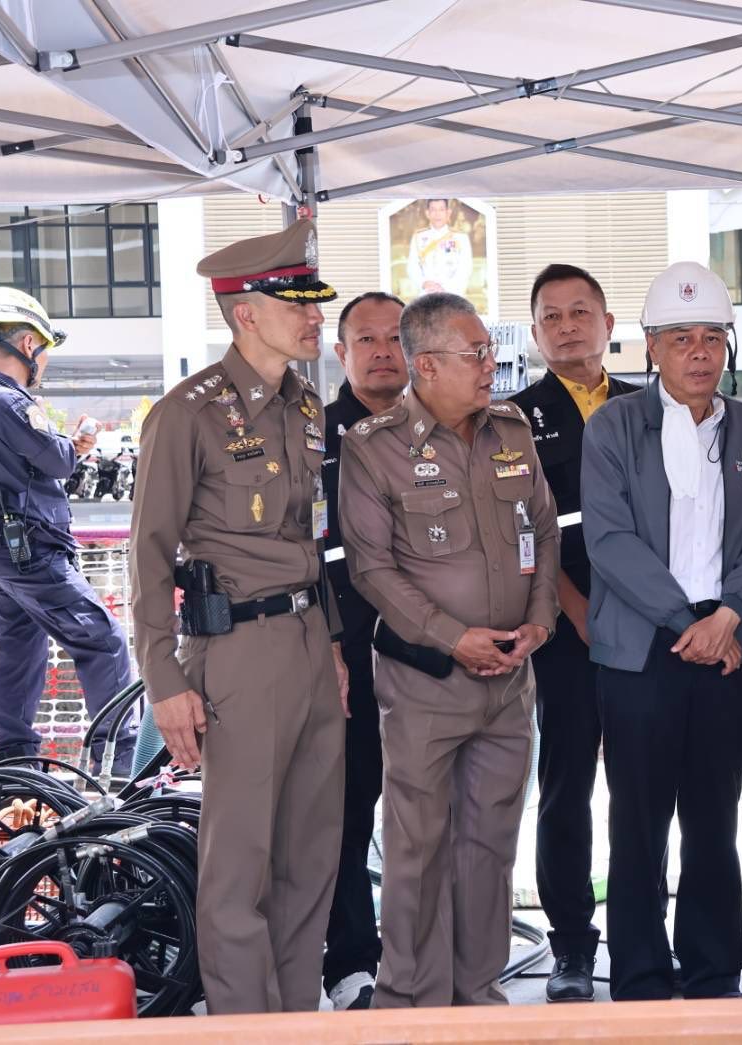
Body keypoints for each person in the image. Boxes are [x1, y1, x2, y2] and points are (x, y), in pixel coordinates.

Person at [128, 220, 345, 1014]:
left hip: (309, 641)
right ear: (246, 312)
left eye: (314, 301)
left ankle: (295, 1019)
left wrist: (333, 644)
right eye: (297, 303)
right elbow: (148, 555)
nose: (315, 316)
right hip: (238, 650)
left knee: (309, 855)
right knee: (240, 860)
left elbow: (308, 540)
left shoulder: (305, 404)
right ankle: (246, 1025)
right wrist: (164, 680)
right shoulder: (186, 413)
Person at [338, 292, 559, 1008]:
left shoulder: (511, 429)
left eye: (490, 352)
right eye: (476, 354)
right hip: (426, 680)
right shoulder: (372, 446)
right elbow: (371, 569)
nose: (491, 365)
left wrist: (539, 621)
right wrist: (451, 636)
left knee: (490, 845)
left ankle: (477, 992)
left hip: (510, 678)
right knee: (417, 845)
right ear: (427, 365)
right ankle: (410, 998)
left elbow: (545, 529)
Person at [581, 261, 742, 1001]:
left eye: (711, 338)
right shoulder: (612, 427)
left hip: (731, 648)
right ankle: (639, 974)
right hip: (645, 651)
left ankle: (712, 969)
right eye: (680, 339)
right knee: (638, 820)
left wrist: (727, 615)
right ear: (651, 347)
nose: (699, 353)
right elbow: (610, 541)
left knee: (713, 815)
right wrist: (686, 622)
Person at [507, 264, 637, 1002]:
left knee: (644, 788)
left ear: (607, 324)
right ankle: (571, 947)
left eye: (579, 312)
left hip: (648, 627)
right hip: (567, 629)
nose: (566, 326)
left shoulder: (647, 405)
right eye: (550, 316)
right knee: (566, 790)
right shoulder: (513, 419)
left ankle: (643, 938)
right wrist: (574, 610)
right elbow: (521, 532)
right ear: (534, 334)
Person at [0, 288, 137, 773]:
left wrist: (67, 446)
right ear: (29, 344)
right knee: (104, 640)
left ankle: (16, 767)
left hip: (1, 554)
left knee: (19, 653)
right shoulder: (9, 403)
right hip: (32, 552)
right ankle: (120, 763)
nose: (43, 362)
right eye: (44, 350)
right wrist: (78, 440)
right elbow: (57, 460)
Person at [319, 290, 406, 1011]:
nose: (383, 351)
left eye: (396, 337)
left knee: (432, 814)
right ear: (341, 352)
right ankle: (352, 963)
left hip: (436, 654)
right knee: (346, 812)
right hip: (347, 652)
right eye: (367, 339)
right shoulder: (313, 438)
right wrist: (326, 646)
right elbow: (300, 553)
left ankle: (427, 956)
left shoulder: (445, 427)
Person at [406, 199, 473, 296]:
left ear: (448, 213)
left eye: (441, 210)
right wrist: (424, 283)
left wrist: (445, 288)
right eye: (433, 210)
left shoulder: (461, 237)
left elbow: (466, 268)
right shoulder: (418, 237)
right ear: (427, 213)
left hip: (453, 294)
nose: (437, 214)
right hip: (427, 293)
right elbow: (412, 266)